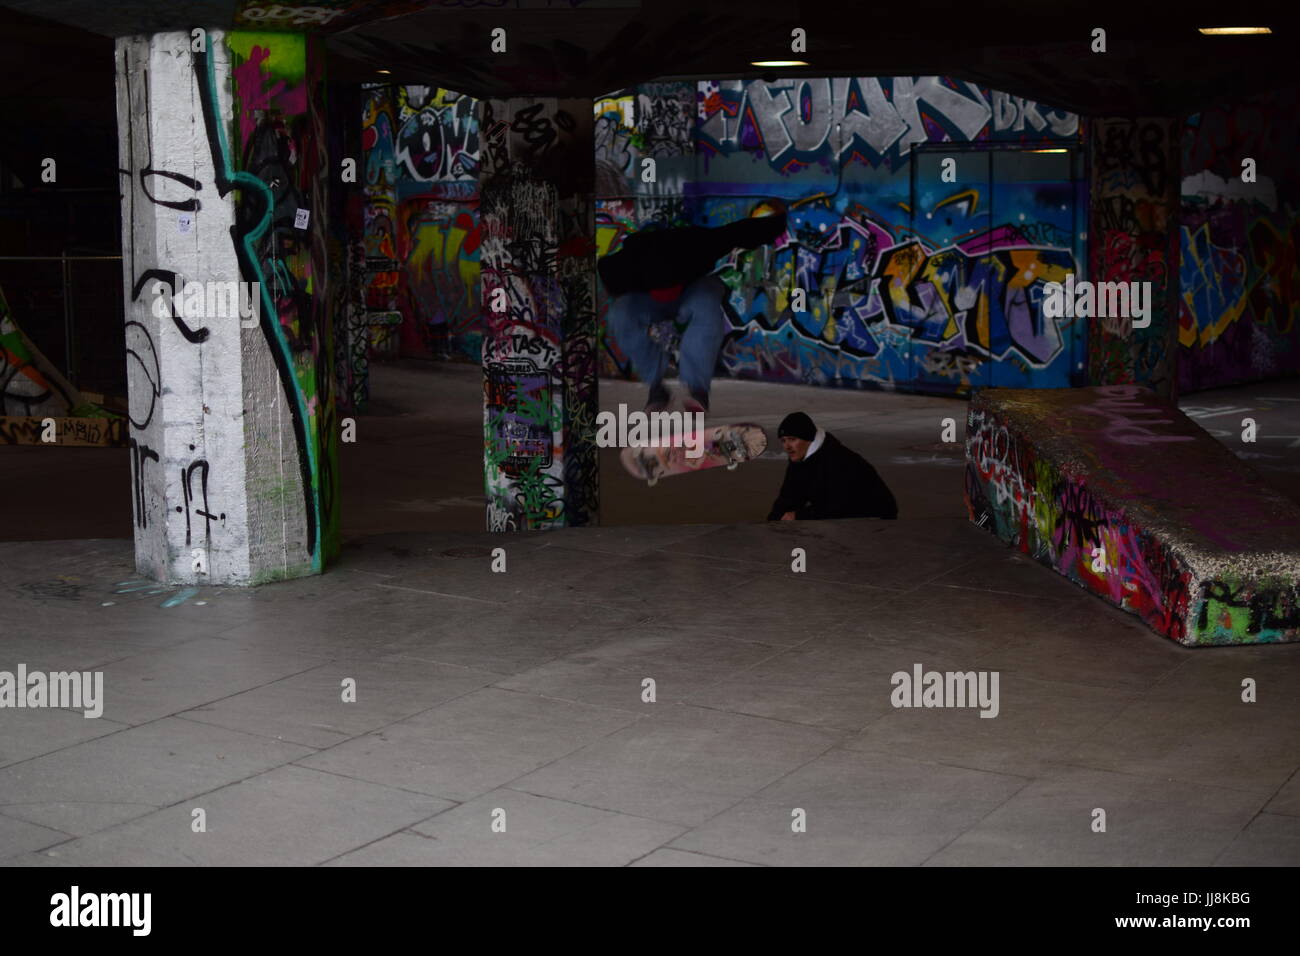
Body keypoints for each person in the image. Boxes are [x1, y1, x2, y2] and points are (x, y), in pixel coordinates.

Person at [597, 206, 787, 414]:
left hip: (692, 289)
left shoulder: (699, 244)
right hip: (646, 296)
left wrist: (782, 220)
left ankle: (697, 389)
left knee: (708, 302)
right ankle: (656, 387)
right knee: (621, 314)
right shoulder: (622, 268)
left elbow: (743, 230)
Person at [767, 411, 898, 521]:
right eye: (783, 441)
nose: (787, 446)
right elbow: (788, 497)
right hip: (842, 514)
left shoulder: (837, 460)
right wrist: (772, 523)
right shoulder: (799, 460)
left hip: (876, 517)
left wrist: (798, 516)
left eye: (792, 439)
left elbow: (839, 506)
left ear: (808, 439)